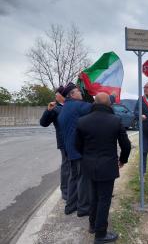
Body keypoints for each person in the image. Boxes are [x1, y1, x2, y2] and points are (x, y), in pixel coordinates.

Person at [75, 92, 131, 244]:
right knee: (104, 199)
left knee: (94, 196)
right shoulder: (115, 120)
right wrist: (123, 160)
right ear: (108, 104)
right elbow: (126, 144)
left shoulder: (82, 121)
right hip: (107, 166)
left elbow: (77, 146)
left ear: (95, 103)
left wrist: (86, 157)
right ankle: (100, 234)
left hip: (89, 166)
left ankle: (93, 225)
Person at [58, 82, 92, 216]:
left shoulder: (65, 107)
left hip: (70, 150)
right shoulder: (77, 106)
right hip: (79, 149)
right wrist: (110, 98)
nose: (81, 93)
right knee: (83, 178)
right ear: (72, 94)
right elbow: (97, 106)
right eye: (78, 91)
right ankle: (83, 208)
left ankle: (70, 206)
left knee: (73, 177)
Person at [40, 86, 69, 200]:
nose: (56, 96)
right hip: (64, 141)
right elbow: (43, 123)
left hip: (75, 140)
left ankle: (74, 189)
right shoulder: (55, 108)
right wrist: (48, 111)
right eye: (57, 94)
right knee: (66, 166)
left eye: (58, 94)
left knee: (75, 167)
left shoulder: (71, 106)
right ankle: (65, 192)